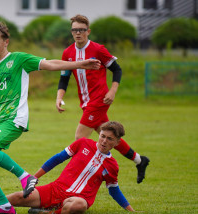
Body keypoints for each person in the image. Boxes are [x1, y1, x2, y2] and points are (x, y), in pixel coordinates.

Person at [0, 22, 101, 214]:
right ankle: (5, 206)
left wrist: (78, 64)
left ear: (6, 42)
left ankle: (25, 177)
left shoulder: (19, 59)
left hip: (13, 118)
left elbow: (50, 64)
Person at [0, 121, 135, 214]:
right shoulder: (83, 144)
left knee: (78, 205)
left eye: (109, 139)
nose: (104, 141)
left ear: (117, 143)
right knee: (17, 196)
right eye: (102, 136)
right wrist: (33, 177)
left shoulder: (113, 166)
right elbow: (57, 159)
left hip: (79, 199)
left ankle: (48, 212)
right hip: (56, 190)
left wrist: (130, 210)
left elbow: (114, 190)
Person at [55, 14, 149, 184]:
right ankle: (140, 161)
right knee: (109, 136)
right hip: (85, 103)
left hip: (99, 100)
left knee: (79, 139)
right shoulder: (67, 52)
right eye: (75, 30)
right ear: (71, 32)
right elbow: (64, 77)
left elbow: (117, 70)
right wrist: (59, 97)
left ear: (88, 31)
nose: (78, 33)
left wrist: (112, 91)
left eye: (81, 30)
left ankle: (76, 177)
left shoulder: (98, 49)